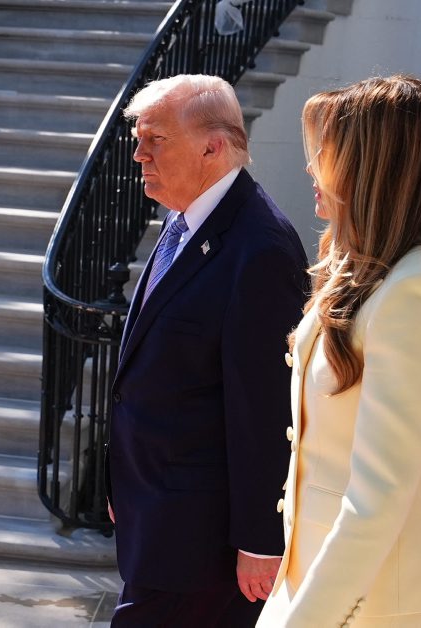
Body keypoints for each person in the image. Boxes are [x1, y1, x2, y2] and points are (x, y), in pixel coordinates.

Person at [256, 75, 421, 627]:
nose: (311, 168)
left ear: (373, 166)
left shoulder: (418, 288)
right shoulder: (371, 269)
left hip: (373, 597)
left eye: (327, 151)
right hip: (327, 579)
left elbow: (377, 497)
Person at [105, 74, 308, 627]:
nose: (139, 154)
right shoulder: (187, 219)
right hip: (159, 514)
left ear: (213, 148)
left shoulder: (260, 247)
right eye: (139, 139)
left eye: (156, 140)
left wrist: (261, 539)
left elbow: (266, 406)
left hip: (203, 540)